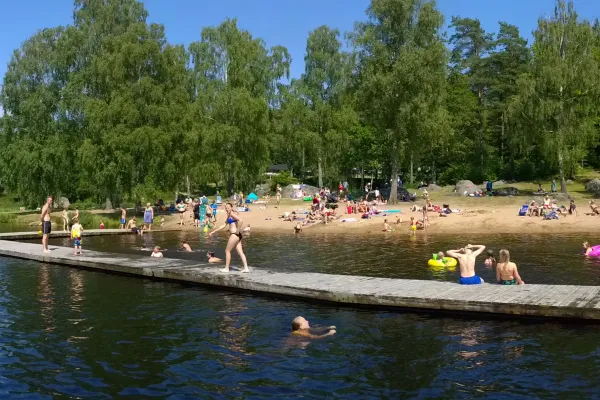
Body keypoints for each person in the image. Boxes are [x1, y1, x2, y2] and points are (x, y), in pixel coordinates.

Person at [209, 203, 249, 273]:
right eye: (226, 208)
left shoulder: (232, 214)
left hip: (234, 235)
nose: (227, 209)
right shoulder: (229, 215)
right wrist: (213, 231)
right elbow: (223, 225)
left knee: (227, 251)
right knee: (240, 252)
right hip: (238, 236)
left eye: (228, 207)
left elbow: (241, 220)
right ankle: (246, 268)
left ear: (231, 207)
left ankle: (227, 268)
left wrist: (238, 230)